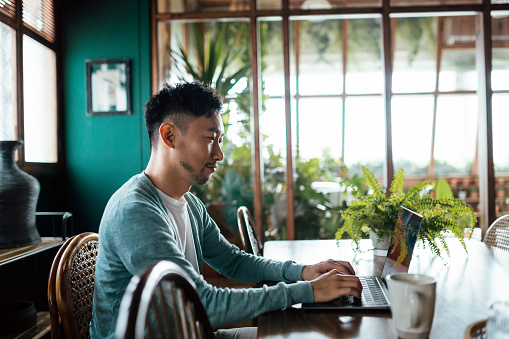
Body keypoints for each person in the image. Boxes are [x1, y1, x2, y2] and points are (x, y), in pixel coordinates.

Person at [89, 81, 362, 339]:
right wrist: (308, 291)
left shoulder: (190, 203)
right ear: (169, 135)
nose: (219, 154)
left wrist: (302, 272)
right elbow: (202, 304)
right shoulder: (135, 211)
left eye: (220, 140)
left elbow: (233, 262)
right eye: (210, 139)